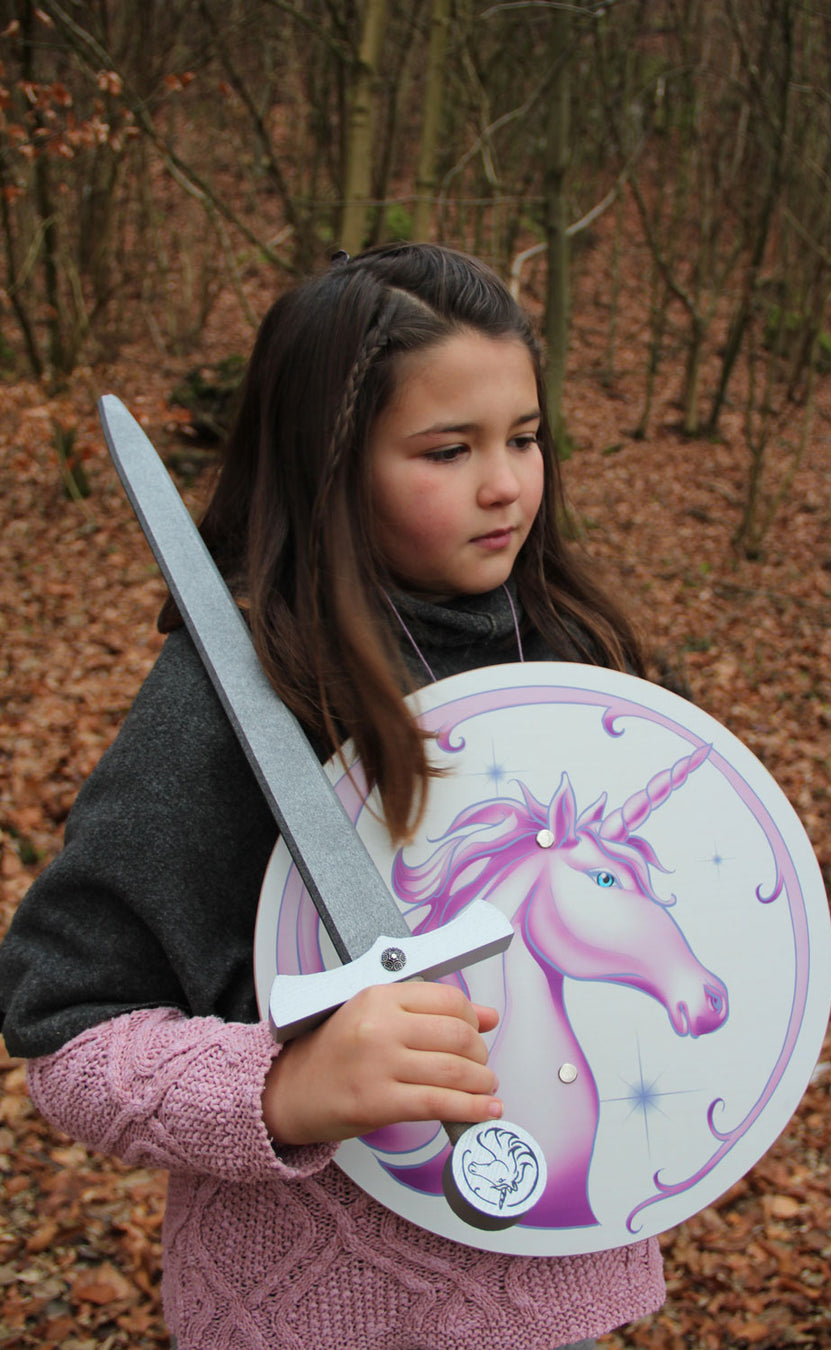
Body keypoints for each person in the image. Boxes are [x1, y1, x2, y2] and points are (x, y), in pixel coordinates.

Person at [0, 243, 664, 1349]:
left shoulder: (584, 669)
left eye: (526, 437)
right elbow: (67, 1032)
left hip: (558, 1301)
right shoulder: (245, 694)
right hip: (311, 1314)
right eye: (448, 450)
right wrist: (286, 1088)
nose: (505, 484)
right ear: (333, 463)